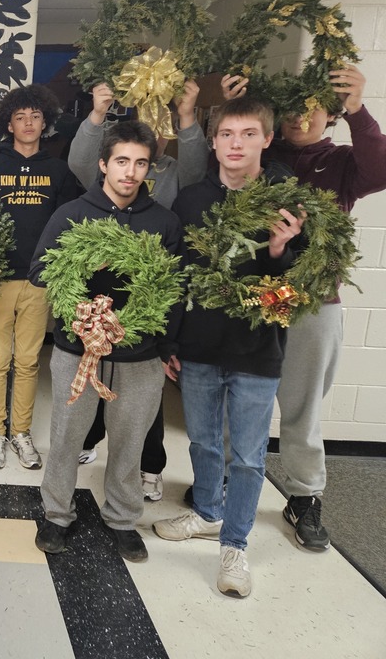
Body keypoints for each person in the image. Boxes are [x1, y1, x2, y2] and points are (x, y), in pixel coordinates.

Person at [221, 65, 386, 551]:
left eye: (312, 106)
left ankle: (304, 494)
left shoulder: (340, 162)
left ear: (330, 112)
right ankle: (225, 481)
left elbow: (380, 170)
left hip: (314, 302)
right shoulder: (256, 155)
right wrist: (236, 111)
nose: (300, 116)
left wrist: (359, 111)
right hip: (253, 296)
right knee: (239, 394)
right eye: (290, 107)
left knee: (302, 403)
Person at [154, 97, 306, 598]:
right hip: (198, 348)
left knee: (247, 455)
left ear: (266, 139)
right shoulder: (193, 201)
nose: (235, 143)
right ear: (213, 141)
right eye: (226, 134)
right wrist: (171, 340)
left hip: (258, 353)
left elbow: (296, 293)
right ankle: (206, 512)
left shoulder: (287, 206)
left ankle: (235, 545)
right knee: (201, 441)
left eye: (247, 134)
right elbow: (177, 277)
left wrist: (281, 252)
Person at [29, 121, 184, 563]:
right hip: (78, 350)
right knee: (66, 437)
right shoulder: (72, 213)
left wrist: (167, 346)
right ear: (103, 164)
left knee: (130, 440)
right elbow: (41, 271)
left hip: (140, 356)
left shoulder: (163, 222)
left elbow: (174, 290)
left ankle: (122, 518)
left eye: (139, 164)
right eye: (121, 162)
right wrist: (86, 267)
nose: (130, 172)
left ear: (148, 169)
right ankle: (57, 514)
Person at [68, 80, 207, 500]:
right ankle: (89, 442)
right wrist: (96, 113)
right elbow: (78, 163)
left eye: (161, 126)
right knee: (96, 371)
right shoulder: (111, 165)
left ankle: (150, 467)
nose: (132, 169)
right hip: (103, 287)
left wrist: (187, 117)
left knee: (145, 394)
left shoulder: (171, 172)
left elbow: (199, 169)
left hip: (150, 292)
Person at [0, 85, 79, 470]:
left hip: (40, 280)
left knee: (28, 361)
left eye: (35, 117)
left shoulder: (57, 170)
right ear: (9, 123)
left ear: (45, 122)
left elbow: (68, 225)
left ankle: (21, 433)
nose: (28, 123)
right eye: (20, 117)